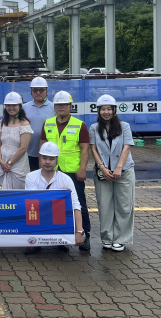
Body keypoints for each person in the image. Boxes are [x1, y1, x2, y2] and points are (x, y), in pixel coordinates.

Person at [39, 90, 91, 251]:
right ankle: (61, 237)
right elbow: (42, 145)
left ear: (70, 106)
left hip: (72, 171)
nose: (61, 107)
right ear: (54, 106)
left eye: (64, 105)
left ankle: (85, 234)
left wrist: (82, 169)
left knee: (79, 203)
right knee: (56, 205)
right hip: (52, 170)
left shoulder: (79, 125)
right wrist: (43, 164)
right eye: (58, 105)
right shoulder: (47, 123)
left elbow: (84, 149)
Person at [89, 94, 135, 252]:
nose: (106, 112)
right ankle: (107, 237)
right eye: (103, 109)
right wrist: (101, 167)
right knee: (105, 206)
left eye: (109, 109)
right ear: (99, 111)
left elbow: (126, 147)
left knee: (124, 205)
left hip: (124, 171)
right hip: (103, 173)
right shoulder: (94, 128)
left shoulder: (125, 126)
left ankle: (120, 238)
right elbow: (93, 149)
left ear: (114, 110)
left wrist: (119, 168)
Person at [24, 142, 85, 254]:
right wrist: (59, 194)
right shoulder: (30, 177)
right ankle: (35, 241)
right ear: (39, 158)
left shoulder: (66, 179)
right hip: (38, 215)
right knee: (31, 207)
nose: (47, 161)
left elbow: (76, 206)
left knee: (65, 203)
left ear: (57, 160)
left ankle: (61, 239)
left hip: (58, 217)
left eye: (51, 159)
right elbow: (34, 201)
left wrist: (80, 231)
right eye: (44, 158)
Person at [0, 92, 32, 190]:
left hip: (18, 167)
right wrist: (1, 161)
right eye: (8, 105)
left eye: (14, 105)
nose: (11, 108)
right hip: (3, 165)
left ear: (20, 106)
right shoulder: (1, 123)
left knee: (18, 195)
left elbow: (23, 148)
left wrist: (10, 163)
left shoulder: (24, 124)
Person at [22, 77, 55, 172]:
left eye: (41, 90)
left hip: (48, 155)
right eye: (35, 90)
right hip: (27, 153)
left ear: (47, 91)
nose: (38, 93)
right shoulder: (24, 108)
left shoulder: (54, 108)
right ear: (31, 92)